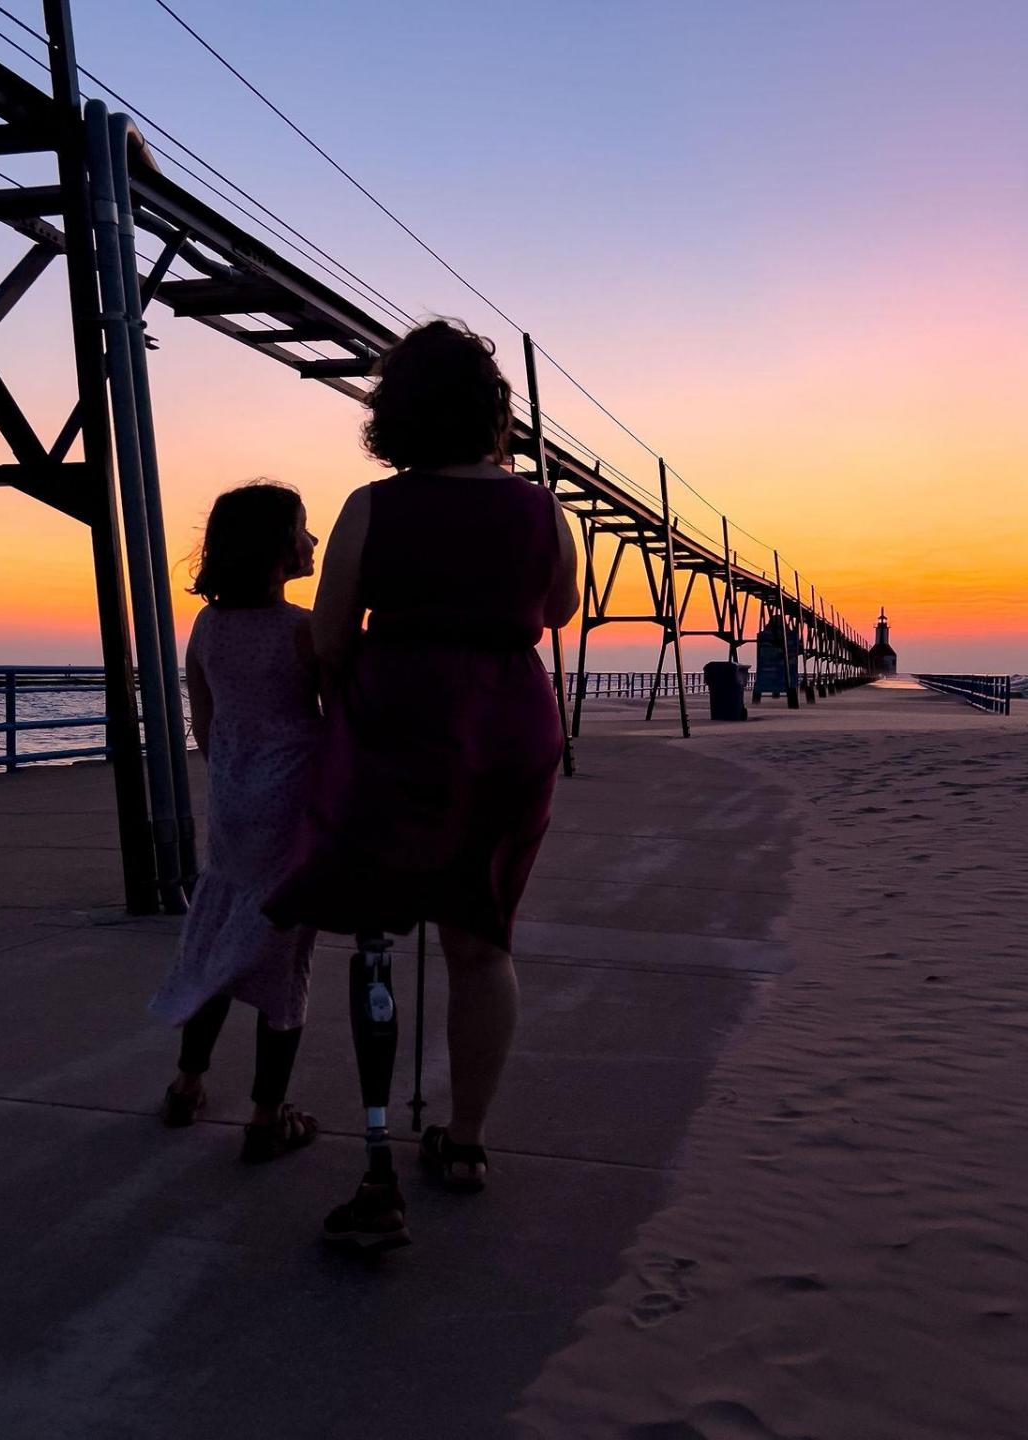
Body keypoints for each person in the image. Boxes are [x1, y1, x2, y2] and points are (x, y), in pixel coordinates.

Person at [267, 320, 579, 1251]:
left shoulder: (373, 506)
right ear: (494, 412)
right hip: (512, 721)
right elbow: (557, 608)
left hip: (400, 714)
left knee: (374, 930)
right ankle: (468, 1141)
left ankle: (374, 1159)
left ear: (394, 412)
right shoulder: (542, 510)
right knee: (482, 938)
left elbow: (327, 637)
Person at [148, 482, 323, 1164]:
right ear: (277, 549)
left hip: (232, 805)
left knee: (219, 941)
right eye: (304, 531)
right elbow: (340, 717)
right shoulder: (303, 629)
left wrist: (236, 767)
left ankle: (188, 1084)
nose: (313, 541)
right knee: (285, 957)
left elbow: (206, 721)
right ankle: (265, 1116)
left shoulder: (209, 627)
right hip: (292, 805)